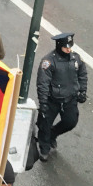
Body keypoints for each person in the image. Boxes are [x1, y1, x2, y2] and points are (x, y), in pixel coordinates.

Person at [36, 31, 88, 162]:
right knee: (45, 124)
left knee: (71, 121)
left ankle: (53, 134)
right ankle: (44, 147)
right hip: (52, 99)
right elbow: (43, 83)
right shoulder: (48, 61)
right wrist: (43, 103)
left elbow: (82, 74)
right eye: (66, 47)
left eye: (70, 47)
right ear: (59, 46)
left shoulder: (76, 58)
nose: (68, 49)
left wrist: (82, 91)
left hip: (70, 99)